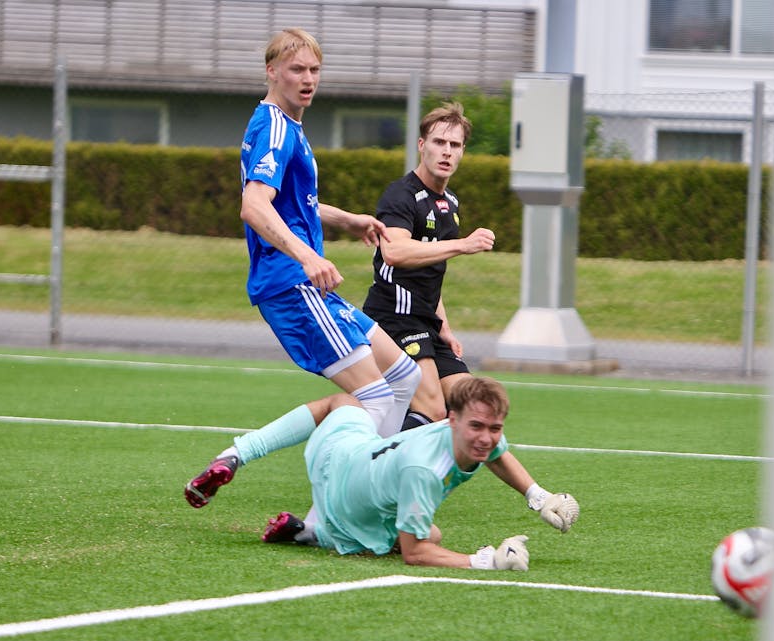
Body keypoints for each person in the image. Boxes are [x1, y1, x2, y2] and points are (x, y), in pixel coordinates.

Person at [184, 376, 580, 570]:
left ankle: (241, 459)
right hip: (339, 476)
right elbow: (415, 554)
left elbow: (498, 455)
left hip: (351, 456)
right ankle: (320, 530)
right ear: (452, 419)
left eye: (495, 428)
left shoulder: (470, 435)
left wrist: (538, 496)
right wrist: (486, 561)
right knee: (427, 538)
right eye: (477, 427)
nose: (486, 438)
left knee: (341, 402)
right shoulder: (424, 470)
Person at [239, 27, 421, 438]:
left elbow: (292, 204)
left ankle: (371, 481)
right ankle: (339, 486)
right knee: (375, 396)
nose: (308, 79)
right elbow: (254, 206)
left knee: (404, 377)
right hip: (291, 283)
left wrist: (346, 219)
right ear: (271, 72)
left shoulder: (285, 125)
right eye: (297, 69)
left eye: (314, 69)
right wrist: (308, 256)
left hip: (304, 282)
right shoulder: (276, 128)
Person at [361, 102, 493, 431]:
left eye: (455, 145)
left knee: (471, 407)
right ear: (422, 146)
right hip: (394, 318)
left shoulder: (451, 204)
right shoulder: (400, 195)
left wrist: (444, 327)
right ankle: (375, 464)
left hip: (426, 322)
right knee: (434, 409)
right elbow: (395, 253)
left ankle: (532, 487)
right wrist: (462, 245)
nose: (446, 152)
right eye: (439, 142)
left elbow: (432, 274)